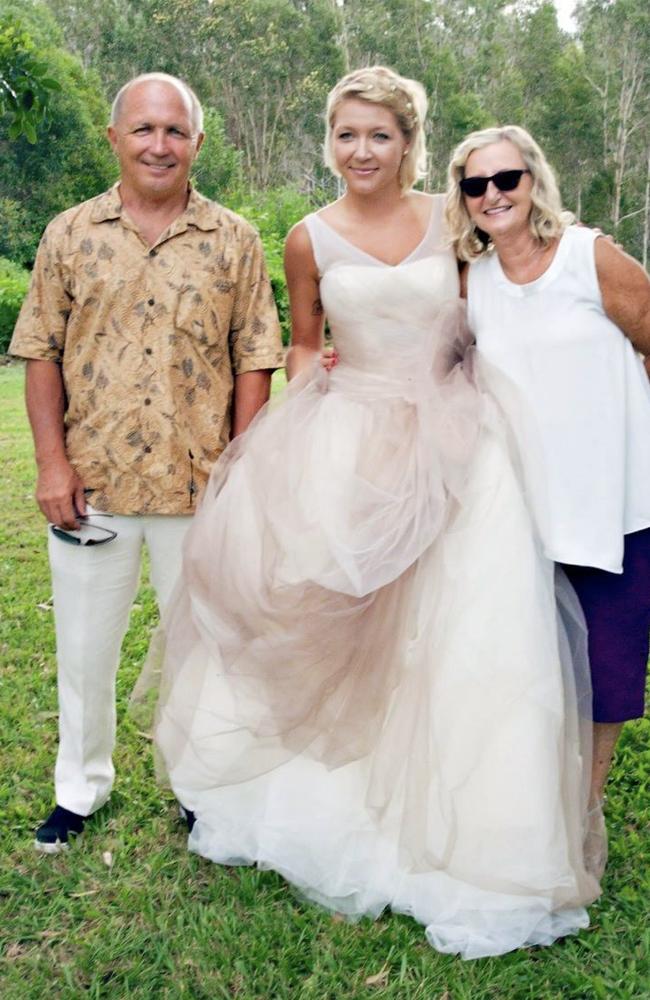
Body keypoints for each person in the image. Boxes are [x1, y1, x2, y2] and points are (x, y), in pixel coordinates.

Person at [153, 67, 600, 959]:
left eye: (380, 136)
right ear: (331, 141)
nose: (363, 152)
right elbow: (308, 341)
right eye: (348, 135)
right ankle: (333, 819)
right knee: (338, 625)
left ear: (409, 143)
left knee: (464, 634)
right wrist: (311, 427)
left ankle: (469, 836)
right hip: (345, 442)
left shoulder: (454, 216)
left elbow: (500, 301)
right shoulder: (306, 236)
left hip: (458, 444)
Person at [10, 72, 284, 853]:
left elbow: (256, 359)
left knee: (206, 655)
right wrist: (51, 466)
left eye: (175, 130)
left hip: (198, 489)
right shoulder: (69, 233)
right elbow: (39, 353)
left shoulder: (235, 238)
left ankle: (201, 791)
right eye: (144, 129)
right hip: (90, 487)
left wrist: (238, 476)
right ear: (115, 139)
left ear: (198, 142)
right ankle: (79, 789)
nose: (159, 144)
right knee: (83, 651)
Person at [445, 126, 650, 851]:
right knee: (532, 664)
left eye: (506, 179)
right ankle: (531, 799)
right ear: (463, 199)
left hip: (614, 501)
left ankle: (584, 811)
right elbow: (447, 368)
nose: (493, 195)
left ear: (533, 179)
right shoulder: (475, 283)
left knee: (610, 669)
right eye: (476, 185)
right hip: (524, 511)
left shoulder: (589, 257)